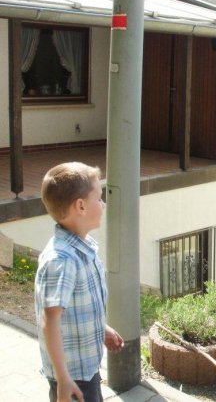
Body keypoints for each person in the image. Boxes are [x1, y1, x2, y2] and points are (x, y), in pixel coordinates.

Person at [35, 162, 124, 402]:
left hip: (85, 369)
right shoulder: (62, 260)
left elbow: (75, 308)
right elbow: (50, 320)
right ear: (81, 206)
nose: (103, 204)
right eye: (99, 198)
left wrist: (101, 328)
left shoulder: (83, 249)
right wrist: (63, 379)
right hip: (72, 378)